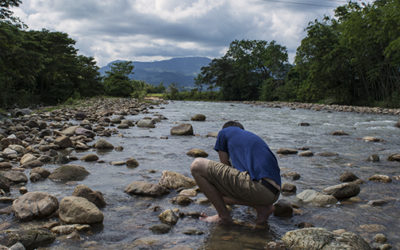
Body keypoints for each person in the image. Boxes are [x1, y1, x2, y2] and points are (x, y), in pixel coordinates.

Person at [190, 121, 281, 225]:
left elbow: (224, 166)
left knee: (197, 166)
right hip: (274, 193)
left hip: (260, 188)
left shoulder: (224, 132)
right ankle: (261, 208)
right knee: (217, 195)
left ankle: (223, 216)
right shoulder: (250, 141)